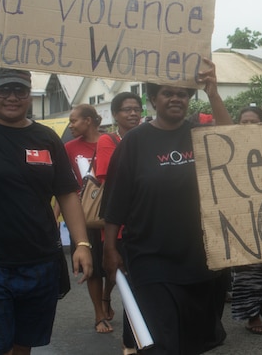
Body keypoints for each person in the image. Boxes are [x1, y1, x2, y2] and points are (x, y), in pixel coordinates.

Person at [102, 59, 242, 354]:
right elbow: (116, 199)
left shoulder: (201, 135)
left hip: (203, 260)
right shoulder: (134, 142)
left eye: (182, 93)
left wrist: (213, 92)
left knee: (194, 342)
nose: (176, 98)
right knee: (160, 345)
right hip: (151, 260)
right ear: (153, 99)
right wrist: (110, 249)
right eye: (167, 92)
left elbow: (234, 144)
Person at [0, 67, 93, 355]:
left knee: (24, 344)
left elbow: (67, 192)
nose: (12, 97)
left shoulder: (47, 138)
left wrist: (83, 244)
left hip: (39, 264)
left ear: (29, 95)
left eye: (19, 90)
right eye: (3, 90)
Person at [94, 91, 143, 355]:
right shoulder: (108, 140)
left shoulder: (147, 138)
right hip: (120, 229)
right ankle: (129, 343)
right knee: (131, 289)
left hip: (147, 226)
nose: (133, 113)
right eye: (126, 109)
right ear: (114, 115)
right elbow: (110, 179)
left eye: (137, 108)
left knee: (139, 288)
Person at [63, 104, 115, 334]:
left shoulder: (112, 143)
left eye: (74, 120)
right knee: (91, 267)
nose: (71, 125)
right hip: (82, 216)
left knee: (114, 265)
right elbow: (62, 187)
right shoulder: (68, 148)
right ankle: (99, 314)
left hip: (111, 213)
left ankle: (106, 298)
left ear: (89, 120)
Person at [230, 106, 262, 336]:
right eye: (243, 122)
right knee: (248, 271)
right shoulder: (230, 149)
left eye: (252, 122)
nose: (247, 126)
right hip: (243, 220)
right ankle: (251, 316)